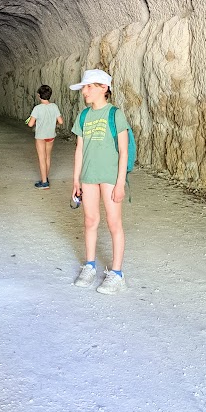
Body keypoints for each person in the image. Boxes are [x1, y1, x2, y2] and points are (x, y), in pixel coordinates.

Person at [70, 68, 129, 294]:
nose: (84, 91)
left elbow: (123, 151)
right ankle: (90, 266)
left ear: (103, 88)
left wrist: (120, 183)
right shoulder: (83, 116)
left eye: (88, 87)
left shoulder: (115, 114)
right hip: (89, 176)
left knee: (114, 223)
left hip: (110, 177)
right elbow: (79, 149)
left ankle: (117, 273)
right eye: (84, 87)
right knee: (90, 220)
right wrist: (76, 180)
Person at [26, 84, 63, 189]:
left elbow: (30, 124)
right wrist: (53, 124)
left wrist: (34, 121)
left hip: (40, 136)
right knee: (48, 157)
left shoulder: (37, 108)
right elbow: (60, 121)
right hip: (51, 135)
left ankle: (44, 182)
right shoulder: (54, 106)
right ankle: (45, 177)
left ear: (39, 95)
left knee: (42, 158)